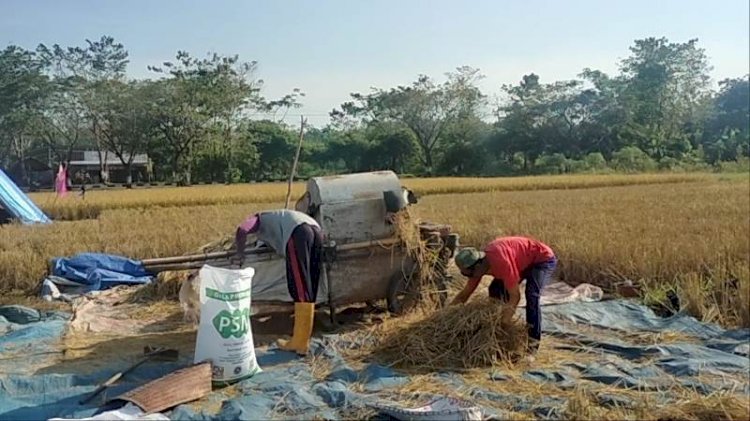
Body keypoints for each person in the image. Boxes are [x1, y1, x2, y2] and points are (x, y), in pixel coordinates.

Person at [234, 209, 323, 355]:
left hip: (298, 233)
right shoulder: (278, 217)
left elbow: (242, 229)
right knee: (310, 284)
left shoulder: (259, 218)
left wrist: (240, 253)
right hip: (316, 230)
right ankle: (303, 341)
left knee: (300, 286)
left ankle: (299, 342)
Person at [451, 236, 557, 353]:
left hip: (541, 260)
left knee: (532, 296)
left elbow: (515, 296)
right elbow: (465, 294)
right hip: (520, 260)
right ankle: (494, 337)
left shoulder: (501, 262)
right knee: (495, 290)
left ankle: (532, 346)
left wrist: (504, 322)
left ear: (477, 266)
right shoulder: (477, 267)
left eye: (468, 274)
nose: (470, 278)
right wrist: (447, 314)